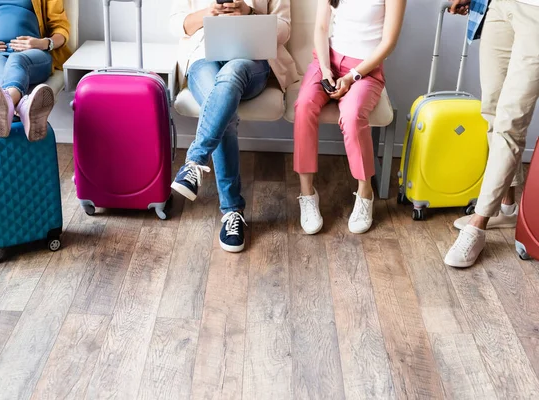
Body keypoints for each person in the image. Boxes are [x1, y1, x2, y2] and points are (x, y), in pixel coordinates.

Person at [169, 0, 298, 253]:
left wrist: (248, 13)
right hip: (202, 58)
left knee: (229, 78)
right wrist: (209, 13)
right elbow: (176, 24)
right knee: (221, 108)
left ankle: (194, 163)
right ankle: (232, 213)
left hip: (250, 60)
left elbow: (284, 29)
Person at [291, 0, 406, 235]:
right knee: (303, 107)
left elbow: (389, 42)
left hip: (365, 71)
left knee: (352, 116)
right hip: (328, 61)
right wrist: (325, 71)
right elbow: (321, 28)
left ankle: (365, 193)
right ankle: (307, 194)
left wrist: (353, 76)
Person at [443, 0, 539, 268]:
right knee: (493, 112)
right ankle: (507, 207)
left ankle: (478, 223)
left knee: (511, 121)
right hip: (498, 5)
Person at [0, 0, 72, 142]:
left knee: (17, 61)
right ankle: (22, 107)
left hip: (32, 53)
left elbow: (61, 28)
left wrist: (42, 43)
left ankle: (7, 104)